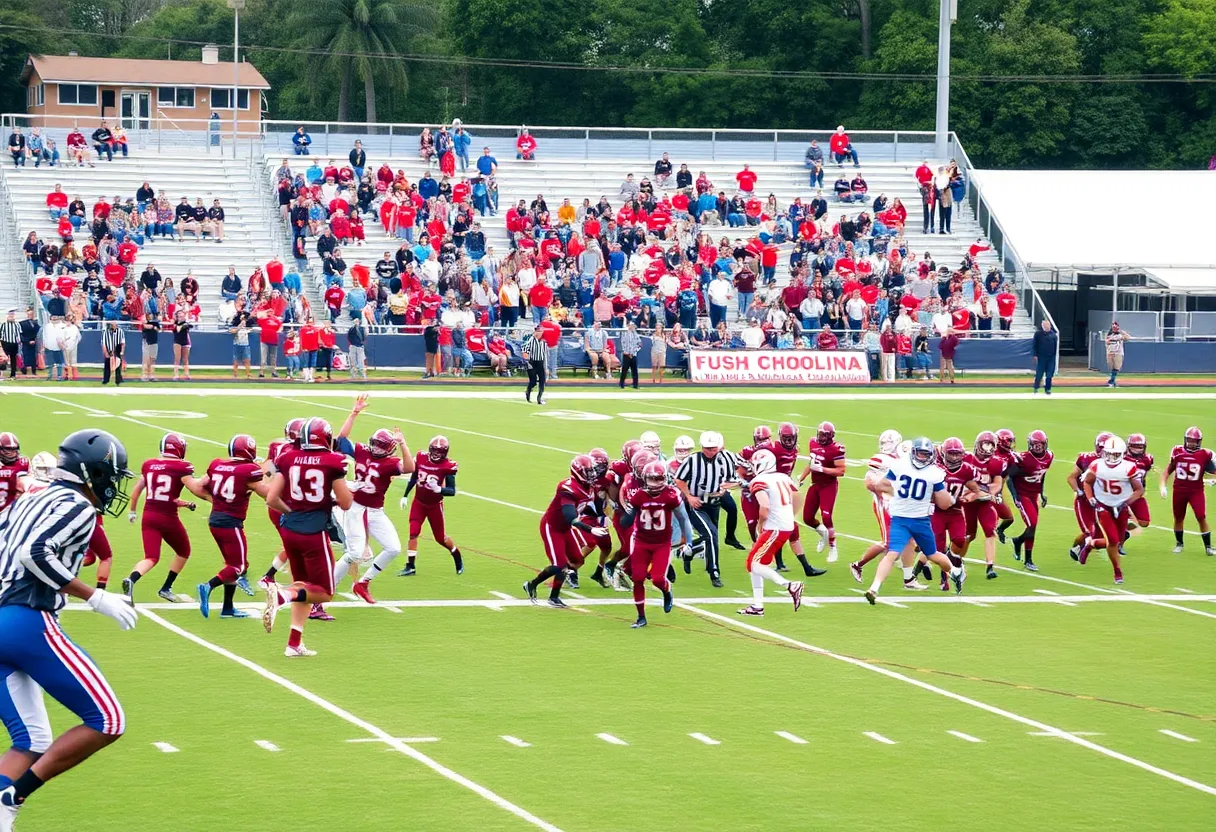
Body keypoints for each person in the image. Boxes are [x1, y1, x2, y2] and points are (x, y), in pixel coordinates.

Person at [0, 430, 138, 830]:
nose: (112, 486)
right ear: (92, 472)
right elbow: (33, 553)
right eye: (110, 476)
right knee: (108, 720)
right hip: (26, 620)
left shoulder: (27, 499)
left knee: (30, 741)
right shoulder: (76, 503)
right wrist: (94, 596)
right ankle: (14, 796)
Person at [263, 418, 353, 657]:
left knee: (303, 585)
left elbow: (271, 498)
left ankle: (294, 643)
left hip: (290, 529)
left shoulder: (288, 457)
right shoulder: (333, 461)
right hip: (313, 533)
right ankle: (283, 595)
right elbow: (345, 503)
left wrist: (293, 512)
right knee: (323, 592)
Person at [865, 437, 967, 604]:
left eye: (924, 454)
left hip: (918, 520)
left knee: (932, 554)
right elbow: (945, 503)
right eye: (920, 453)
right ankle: (874, 588)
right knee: (892, 553)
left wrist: (896, 492)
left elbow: (881, 485)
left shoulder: (912, 468)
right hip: (903, 519)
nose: (921, 457)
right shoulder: (929, 471)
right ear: (913, 452)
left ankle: (955, 572)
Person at [122, 433, 202, 602]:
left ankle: (131, 579)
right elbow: (192, 489)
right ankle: (166, 588)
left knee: (151, 557)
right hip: (168, 518)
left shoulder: (149, 465)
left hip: (148, 516)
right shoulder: (182, 467)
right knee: (184, 551)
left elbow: (137, 491)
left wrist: (132, 512)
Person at [194, 435, 267, 619]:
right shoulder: (249, 470)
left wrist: (215, 500)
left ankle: (228, 608)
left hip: (215, 519)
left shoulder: (217, 464)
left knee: (231, 564)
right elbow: (265, 493)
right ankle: (208, 586)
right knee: (239, 566)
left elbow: (200, 485)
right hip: (230, 522)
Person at [734, 449, 806, 617]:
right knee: (757, 564)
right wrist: (789, 515)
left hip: (775, 527)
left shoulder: (759, 480)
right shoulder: (783, 477)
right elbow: (796, 496)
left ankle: (790, 585)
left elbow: (764, 507)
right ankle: (758, 605)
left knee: (752, 563)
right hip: (785, 525)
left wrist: (761, 524)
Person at [524, 455, 601, 608]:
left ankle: (553, 597)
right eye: (588, 471)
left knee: (577, 560)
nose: (592, 474)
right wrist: (591, 529)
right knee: (560, 564)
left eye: (592, 471)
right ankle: (532, 585)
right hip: (552, 527)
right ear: (578, 472)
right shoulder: (568, 488)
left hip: (565, 528)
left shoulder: (589, 487)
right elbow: (570, 516)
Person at [618, 460, 687, 628]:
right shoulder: (639, 496)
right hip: (641, 541)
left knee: (657, 578)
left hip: (662, 543)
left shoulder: (671, 495)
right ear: (644, 479)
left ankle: (667, 590)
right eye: (652, 479)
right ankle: (641, 616)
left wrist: (688, 540)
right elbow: (626, 520)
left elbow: (683, 518)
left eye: (659, 479)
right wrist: (627, 515)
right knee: (638, 578)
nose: (655, 483)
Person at [674, 432, 741, 588]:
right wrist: (689, 496)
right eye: (707, 448)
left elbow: (732, 480)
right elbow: (679, 479)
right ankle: (714, 572)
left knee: (712, 537)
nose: (710, 451)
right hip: (697, 505)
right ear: (702, 447)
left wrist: (725, 489)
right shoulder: (692, 460)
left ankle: (687, 552)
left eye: (713, 448)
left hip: (714, 504)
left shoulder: (725, 459)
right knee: (711, 535)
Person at [1078, 437, 1142, 585]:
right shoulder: (1097, 465)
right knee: (1113, 540)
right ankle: (1117, 571)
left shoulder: (1128, 467)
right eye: (1109, 454)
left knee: (1117, 542)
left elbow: (1139, 490)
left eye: (1115, 454)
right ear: (1104, 452)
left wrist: (1126, 502)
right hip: (1103, 506)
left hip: (1121, 507)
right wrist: (1091, 498)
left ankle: (1090, 544)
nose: (1112, 457)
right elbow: (1087, 482)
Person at [1161, 426, 1216, 555]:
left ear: (1199, 442)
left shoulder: (1204, 455)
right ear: (1185, 440)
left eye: (1194, 441)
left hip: (1196, 491)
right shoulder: (1177, 452)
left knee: (1201, 517)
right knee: (1178, 518)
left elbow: (1213, 471)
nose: (1191, 443)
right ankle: (1179, 544)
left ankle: (1208, 547)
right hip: (1179, 490)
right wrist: (1163, 485)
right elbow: (1167, 470)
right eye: (1189, 440)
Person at [1006, 429, 1053, 571]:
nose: (1037, 447)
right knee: (1032, 523)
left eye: (1040, 444)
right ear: (1029, 444)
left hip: (1034, 495)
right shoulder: (1023, 459)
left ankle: (1023, 551)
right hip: (1023, 494)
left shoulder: (1049, 456)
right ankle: (1022, 549)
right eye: (1035, 444)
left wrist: (1042, 492)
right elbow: (1009, 478)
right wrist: (1016, 496)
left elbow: (1042, 475)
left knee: (1033, 527)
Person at [522, 323, 547, 404]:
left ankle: (539, 398)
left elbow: (544, 355)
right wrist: (527, 362)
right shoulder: (531, 341)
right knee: (533, 381)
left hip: (540, 363)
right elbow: (524, 350)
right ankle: (528, 392)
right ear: (536, 331)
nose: (541, 333)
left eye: (541, 331)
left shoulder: (543, 342)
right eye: (539, 331)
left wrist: (546, 367)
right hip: (532, 362)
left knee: (542, 381)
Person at [1032, 319, 1057, 394]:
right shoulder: (1038, 334)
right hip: (1041, 357)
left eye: (1047, 325)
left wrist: (1054, 356)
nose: (1046, 326)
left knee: (1049, 374)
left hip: (1051, 357)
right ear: (1042, 326)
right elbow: (1034, 345)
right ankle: (1036, 387)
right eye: (1044, 325)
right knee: (1039, 373)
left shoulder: (1053, 335)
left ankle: (1048, 389)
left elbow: (1055, 346)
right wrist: (1035, 354)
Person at [1104, 322, 1129, 387]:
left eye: (1115, 327)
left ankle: (1111, 381)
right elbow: (1106, 343)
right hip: (1110, 353)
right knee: (1111, 368)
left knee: (1116, 368)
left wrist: (1122, 332)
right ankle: (1112, 381)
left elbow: (1128, 337)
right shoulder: (1109, 335)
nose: (1114, 328)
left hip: (1118, 353)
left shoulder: (1120, 335)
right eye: (1113, 327)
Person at [100, 320, 124, 386]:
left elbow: (122, 343)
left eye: (113, 325)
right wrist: (105, 353)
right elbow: (104, 343)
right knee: (107, 365)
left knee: (118, 365)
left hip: (117, 349)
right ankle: (106, 380)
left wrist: (122, 352)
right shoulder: (105, 332)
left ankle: (118, 380)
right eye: (111, 325)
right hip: (109, 349)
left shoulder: (120, 331)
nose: (112, 326)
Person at [618, 321, 641, 389]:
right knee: (624, 370)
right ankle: (621, 384)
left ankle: (635, 385)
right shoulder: (624, 333)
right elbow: (623, 343)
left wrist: (635, 351)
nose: (632, 327)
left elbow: (639, 343)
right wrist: (626, 351)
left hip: (633, 354)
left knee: (634, 371)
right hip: (626, 354)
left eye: (633, 325)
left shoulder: (635, 334)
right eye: (631, 325)